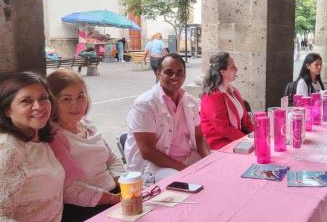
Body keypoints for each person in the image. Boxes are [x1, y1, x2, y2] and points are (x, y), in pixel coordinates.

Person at [46, 69, 125, 222]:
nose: (76, 105)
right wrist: (110, 199)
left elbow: (111, 158)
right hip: (84, 208)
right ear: (52, 102)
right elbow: (67, 188)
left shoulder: (87, 125)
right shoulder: (52, 137)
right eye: (66, 99)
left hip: (114, 194)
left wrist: (123, 182)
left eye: (80, 96)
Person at [125, 53, 211, 181]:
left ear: (185, 75)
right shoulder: (145, 104)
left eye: (179, 72)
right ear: (158, 73)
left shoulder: (189, 101)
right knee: (187, 181)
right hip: (155, 166)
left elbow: (199, 137)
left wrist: (209, 160)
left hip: (186, 158)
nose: (174, 76)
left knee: (219, 171)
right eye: (168, 72)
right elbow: (148, 151)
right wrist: (184, 170)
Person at [0, 72, 65, 221]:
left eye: (43, 98)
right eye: (26, 101)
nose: (39, 106)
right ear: (7, 110)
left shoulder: (37, 139)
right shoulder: (8, 150)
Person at [200, 52, 254, 150]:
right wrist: (247, 140)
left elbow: (245, 119)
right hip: (219, 145)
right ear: (222, 71)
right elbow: (224, 129)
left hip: (235, 140)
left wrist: (257, 133)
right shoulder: (212, 96)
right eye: (233, 67)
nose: (236, 69)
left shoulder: (233, 91)